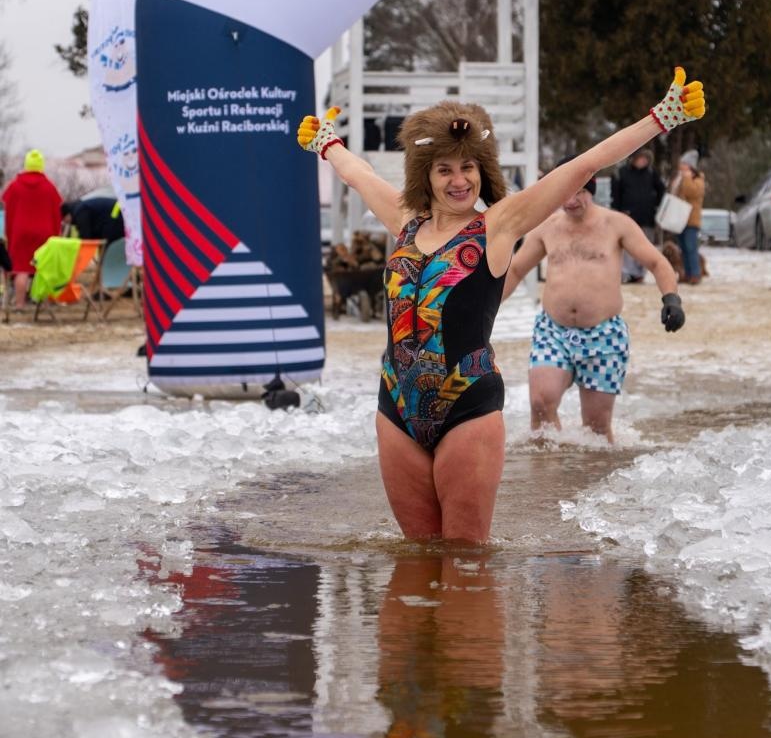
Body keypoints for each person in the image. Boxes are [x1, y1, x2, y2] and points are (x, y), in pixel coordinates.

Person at [297, 66, 704, 542]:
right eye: (444, 169)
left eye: (467, 167)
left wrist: (660, 119)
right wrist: (328, 144)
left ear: (482, 170)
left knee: (465, 562)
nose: (458, 181)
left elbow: (582, 167)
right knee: (417, 559)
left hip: (467, 407)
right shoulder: (406, 221)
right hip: (396, 407)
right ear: (423, 175)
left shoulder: (499, 225)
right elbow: (359, 174)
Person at [502, 158, 686, 443]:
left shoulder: (616, 224)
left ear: (592, 189)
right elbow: (514, 270)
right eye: (563, 194)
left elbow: (657, 262)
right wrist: (483, 310)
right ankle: (550, 480)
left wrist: (671, 300)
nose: (571, 201)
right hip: (553, 332)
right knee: (540, 407)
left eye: (578, 192)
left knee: (596, 433)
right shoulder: (546, 227)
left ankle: (591, 484)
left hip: (603, 335)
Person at [1, 149, 62, 310]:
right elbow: (57, 213)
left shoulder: (15, 186)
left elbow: (9, 211)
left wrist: (9, 234)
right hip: (45, 233)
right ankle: (44, 303)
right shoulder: (49, 187)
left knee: (21, 268)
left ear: (26, 165)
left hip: (21, 233)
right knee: (43, 268)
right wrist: (57, 234)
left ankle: (20, 304)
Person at [611, 148, 665, 283]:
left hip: (647, 216)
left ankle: (640, 273)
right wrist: (618, 211)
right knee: (629, 246)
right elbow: (616, 194)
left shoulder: (652, 173)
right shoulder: (622, 173)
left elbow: (661, 190)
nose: (642, 161)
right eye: (640, 158)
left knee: (645, 246)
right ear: (633, 159)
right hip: (628, 215)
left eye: (645, 159)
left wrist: (657, 205)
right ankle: (628, 273)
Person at [671, 149, 706, 285]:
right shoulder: (679, 177)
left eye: (684, 163)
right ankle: (685, 273)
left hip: (691, 219)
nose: (681, 166)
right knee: (683, 248)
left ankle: (695, 274)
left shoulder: (698, 178)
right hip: (679, 219)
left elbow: (692, 192)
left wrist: (686, 178)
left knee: (691, 247)